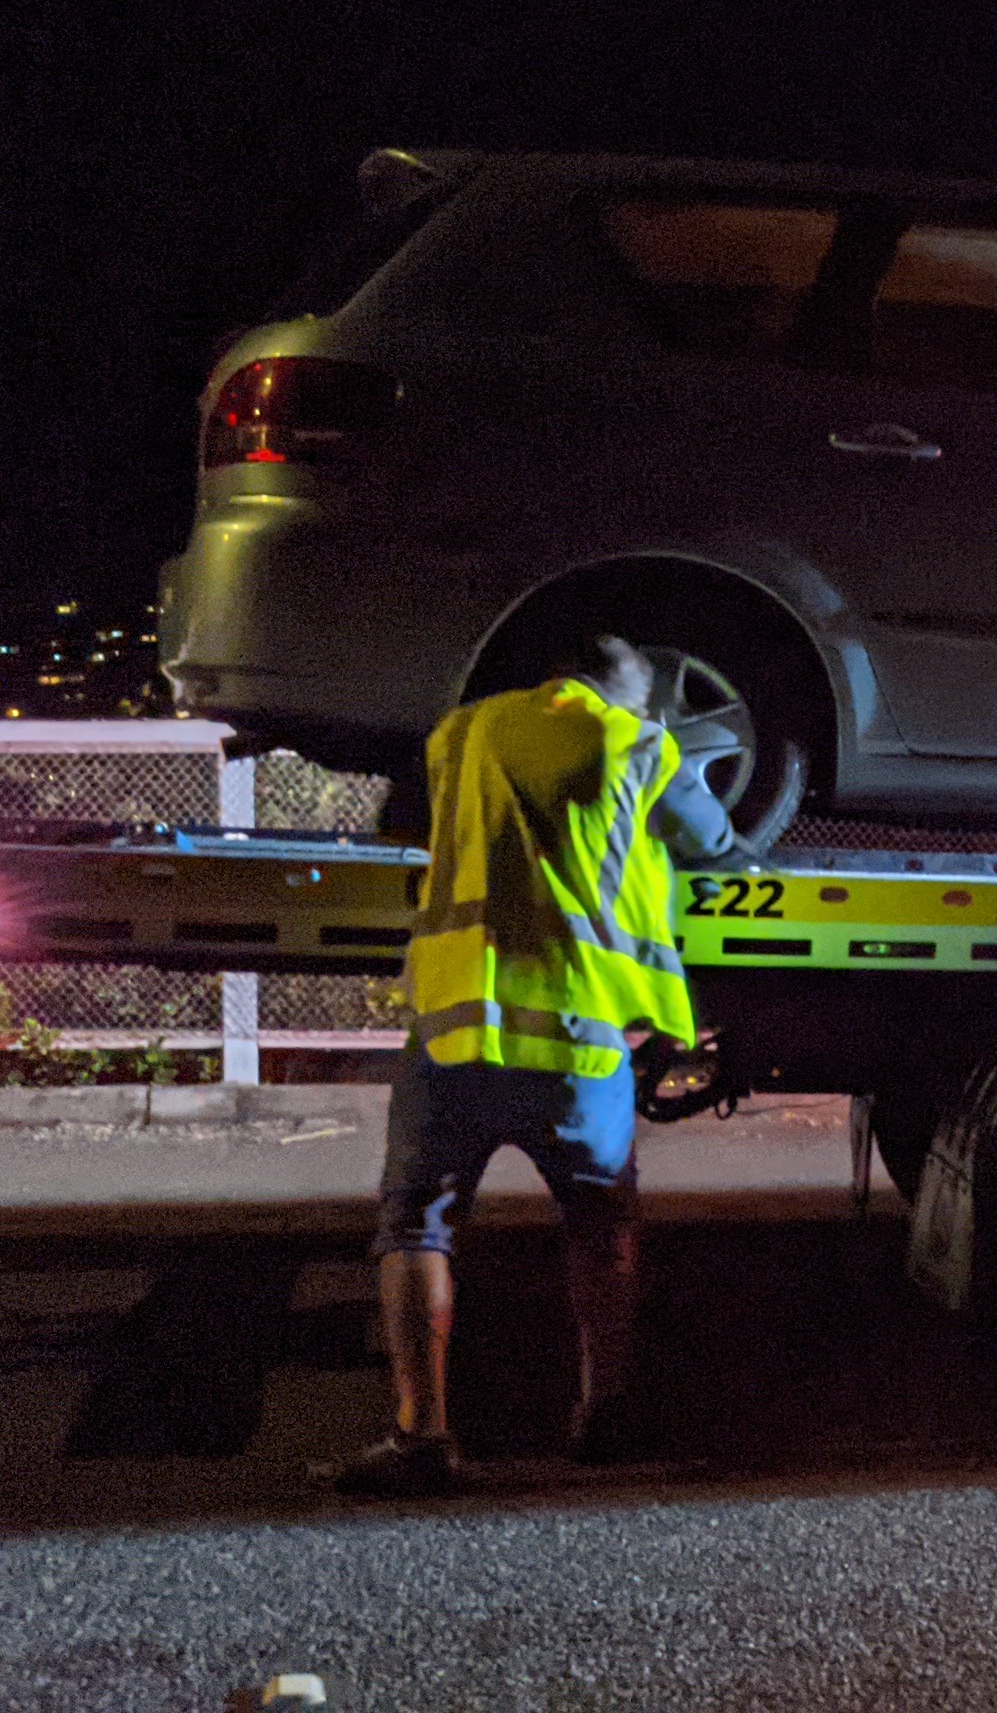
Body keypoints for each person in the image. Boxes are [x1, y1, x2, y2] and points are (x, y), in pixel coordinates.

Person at [323, 635, 794, 1495]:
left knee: (416, 1224)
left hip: (455, 1031)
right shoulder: (642, 744)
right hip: (577, 1042)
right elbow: (718, 843)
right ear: (633, 696)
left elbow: (409, 817)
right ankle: (604, 1414)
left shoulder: (461, 733)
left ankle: (421, 1438)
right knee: (601, 1221)